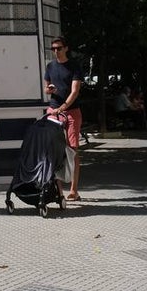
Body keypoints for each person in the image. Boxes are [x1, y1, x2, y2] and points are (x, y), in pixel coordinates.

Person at [44, 37, 83, 201]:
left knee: (72, 150)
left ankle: (74, 190)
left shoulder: (74, 66)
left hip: (71, 111)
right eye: (53, 48)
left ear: (66, 48)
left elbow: (75, 91)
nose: (55, 51)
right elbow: (46, 88)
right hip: (53, 110)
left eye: (59, 48)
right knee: (54, 150)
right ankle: (59, 191)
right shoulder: (50, 66)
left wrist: (64, 107)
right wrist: (49, 89)